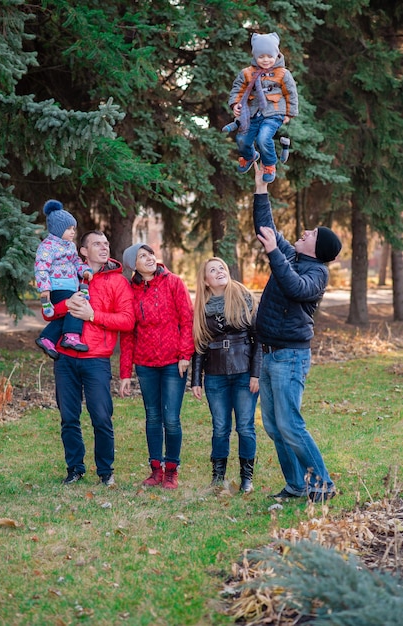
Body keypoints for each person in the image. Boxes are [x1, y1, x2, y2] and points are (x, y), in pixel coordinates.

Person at [252, 162, 341, 502]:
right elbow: (267, 229)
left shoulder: (316, 273)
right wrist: (261, 188)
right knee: (275, 428)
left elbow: (294, 288)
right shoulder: (292, 255)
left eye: (310, 235)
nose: (303, 233)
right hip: (270, 352)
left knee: (290, 425)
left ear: (317, 250)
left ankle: (323, 484)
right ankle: (296, 485)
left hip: (290, 356)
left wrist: (275, 253)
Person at [44, 230, 135, 486]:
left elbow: (128, 321)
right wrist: (68, 305)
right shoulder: (67, 275)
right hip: (64, 357)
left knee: (101, 417)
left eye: (106, 243)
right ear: (83, 250)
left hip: (96, 358)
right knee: (69, 417)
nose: (104, 247)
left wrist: (93, 315)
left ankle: (106, 472)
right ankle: (75, 468)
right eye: (97, 244)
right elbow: (48, 312)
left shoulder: (117, 282)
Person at [119, 243, 194, 490]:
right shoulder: (131, 291)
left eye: (150, 253)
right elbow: (128, 334)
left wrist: (185, 354)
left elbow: (187, 319)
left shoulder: (173, 282)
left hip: (174, 362)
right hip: (146, 364)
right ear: (133, 265)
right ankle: (155, 470)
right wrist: (125, 373)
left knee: (171, 418)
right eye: (142, 256)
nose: (149, 258)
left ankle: (171, 470)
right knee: (152, 417)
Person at [191, 257, 262, 494]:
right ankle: (218, 478)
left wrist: (256, 374)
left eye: (222, 267)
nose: (219, 271)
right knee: (220, 427)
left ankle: (246, 479)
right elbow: (199, 345)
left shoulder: (245, 298)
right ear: (206, 280)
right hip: (215, 375)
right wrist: (195, 381)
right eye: (213, 269)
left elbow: (258, 340)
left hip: (244, 372)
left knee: (245, 426)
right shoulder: (201, 308)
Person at [225, 32, 298, 182]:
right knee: (242, 140)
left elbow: (291, 93)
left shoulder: (283, 73)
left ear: (276, 55)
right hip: (253, 113)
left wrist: (289, 113)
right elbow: (237, 89)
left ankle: (270, 164)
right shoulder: (247, 73)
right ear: (255, 56)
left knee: (263, 138)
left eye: (270, 56)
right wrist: (235, 104)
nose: (266, 60)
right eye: (261, 57)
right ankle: (250, 156)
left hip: (274, 112)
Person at [35, 199, 93, 360]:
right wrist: (45, 288)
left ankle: (47, 338)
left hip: (71, 285)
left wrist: (85, 270)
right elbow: (41, 268)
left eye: (74, 228)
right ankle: (71, 336)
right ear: (57, 229)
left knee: (67, 312)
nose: (73, 231)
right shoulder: (47, 247)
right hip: (57, 285)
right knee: (76, 305)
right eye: (68, 228)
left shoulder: (70, 246)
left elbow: (76, 262)